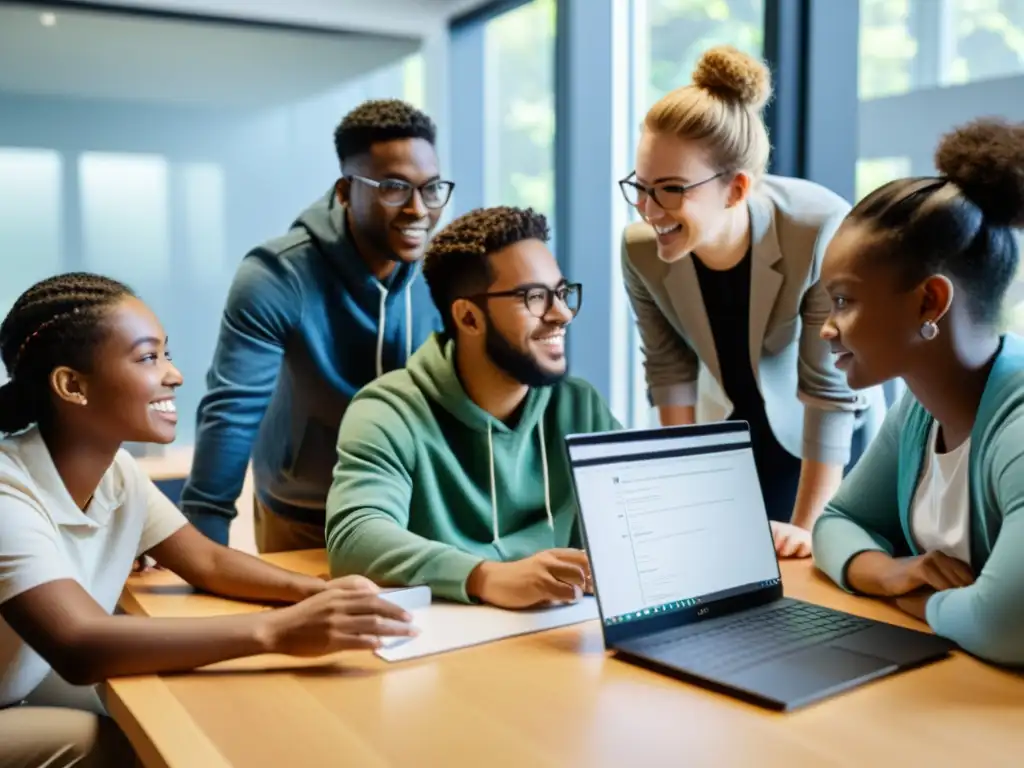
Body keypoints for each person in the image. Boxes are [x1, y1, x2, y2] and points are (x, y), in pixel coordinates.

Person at [0, 274, 417, 765]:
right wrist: (279, 632)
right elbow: (79, 643)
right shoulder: (8, 489)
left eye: (166, 354)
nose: (173, 375)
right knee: (118, 745)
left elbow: (207, 561)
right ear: (72, 385)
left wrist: (322, 595)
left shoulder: (118, 473)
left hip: (19, 686)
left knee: (173, 709)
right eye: (148, 357)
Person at [619, 46, 886, 558]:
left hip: (824, 443)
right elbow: (668, 370)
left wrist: (809, 529)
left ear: (736, 188)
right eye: (641, 186)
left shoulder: (817, 227)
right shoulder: (640, 251)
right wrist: (686, 492)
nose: (649, 210)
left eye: (671, 190)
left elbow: (827, 390)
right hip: (729, 431)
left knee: (811, 569)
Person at [181, 99, 452, 553]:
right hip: (306, 514)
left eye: (431, 188)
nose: (418, 209)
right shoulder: (276, 275)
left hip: (414, 509)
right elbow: (231, 413)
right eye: (394, 187)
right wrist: (198, 545)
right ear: (345, 190)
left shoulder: (443, 274)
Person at [325, 206, 620, 609]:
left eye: (562, 293)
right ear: (468, 318)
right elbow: (355, 538)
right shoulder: (387, 411)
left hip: (564, 633)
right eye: (535, 297)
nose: (562, 313)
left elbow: (640, 517)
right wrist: (484, 577)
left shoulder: (580, 406)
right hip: (445, 650)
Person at [812, 118, 1024, 666]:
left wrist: (920, 605)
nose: (826, 328)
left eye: (843, 300)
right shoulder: (918, 410)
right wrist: (891, 572)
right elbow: (836, 525)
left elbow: (1007, 624)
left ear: (930, 302)